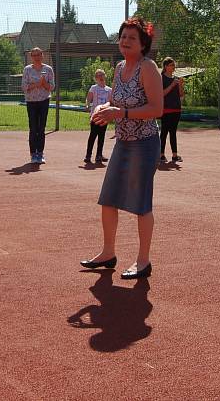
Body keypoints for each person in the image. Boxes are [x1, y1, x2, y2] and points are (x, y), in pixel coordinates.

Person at [81, 17, 163, 280]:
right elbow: (115, 101)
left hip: (144, 143)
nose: (125, 41)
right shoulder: (118, 68)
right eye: (123, 37)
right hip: (123, 142)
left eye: (132, 38)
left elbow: (156, 109)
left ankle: (143, 261)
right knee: (108, 199)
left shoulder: (148, 68)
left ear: (142, 44)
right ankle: (108, 253)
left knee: (140, 204)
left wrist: (121, 112)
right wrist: (103, 109)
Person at [21, 47, 55, 164]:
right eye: (34, 55)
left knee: (41, 128)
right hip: (31, 102)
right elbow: (24, 87)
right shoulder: (27, 70)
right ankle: (33, 154)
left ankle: (40, 154)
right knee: (33, 128)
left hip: (44, 101)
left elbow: (52, 87)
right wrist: (37, 84)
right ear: (31, 57)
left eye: (38, 55)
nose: (36, 57)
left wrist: (44, 83)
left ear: (42, 55)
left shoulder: (48, 69)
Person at [159, 57, 184, 163]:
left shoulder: (176, 78)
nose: (173, 67)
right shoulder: (161, 78)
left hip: (176, 108)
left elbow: (181, 94)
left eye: (174, 65)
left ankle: (174, 155)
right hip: (166, 108)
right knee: (164, 132)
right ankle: (161, 155)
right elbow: (161, 94)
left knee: (173, 132)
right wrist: (172, 84)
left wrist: (180, 85)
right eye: (171, 65)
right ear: (165, 66)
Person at [84, 68, 112, 163]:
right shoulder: (93, 88)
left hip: (104, 116)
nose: (100, 77)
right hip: (95, 116)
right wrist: (87, 105)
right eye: (98, 76)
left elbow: (110, 102)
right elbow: (88, 98)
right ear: (95, 78)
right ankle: (88, 155)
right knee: (93, 135)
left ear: (105, 76)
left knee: (102, 135)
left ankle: (99, 155)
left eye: (102, 75)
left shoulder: (109, 90)